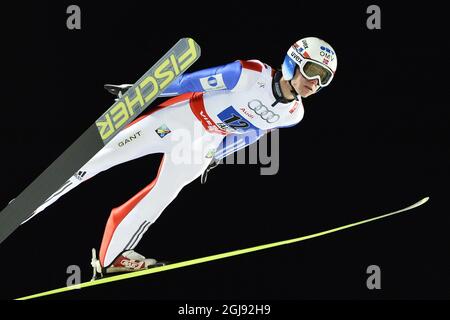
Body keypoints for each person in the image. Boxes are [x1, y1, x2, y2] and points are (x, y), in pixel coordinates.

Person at [24, 37, 337, 277]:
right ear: (292, 62)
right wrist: (144, 90)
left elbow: (254, 132)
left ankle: (112, 258)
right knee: (96, 159)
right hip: (179, 119)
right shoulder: (249, 74)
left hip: (202, 144)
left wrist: (218, 155)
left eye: (324, 78)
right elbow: (194, 81)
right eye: (312, 71)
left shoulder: (294, 114)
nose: (315, 83)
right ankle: (28, 206)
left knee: (162, 195)